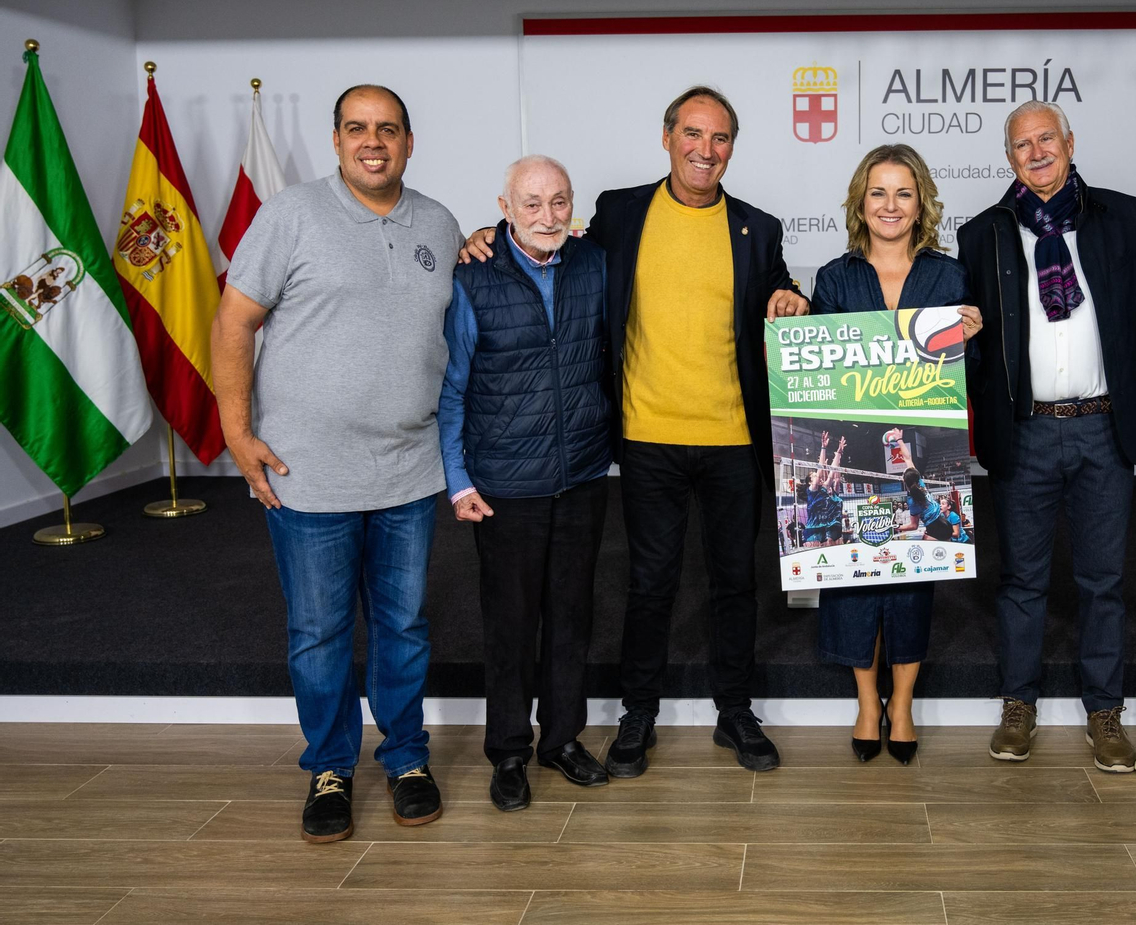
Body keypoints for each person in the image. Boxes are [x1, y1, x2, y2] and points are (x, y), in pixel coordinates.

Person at [460, 86, 807, 776]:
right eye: (692, 134)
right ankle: (637, 712)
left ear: (732, 147)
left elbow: (777, 285)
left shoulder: (757, 227)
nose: (705, 150)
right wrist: (484, 238)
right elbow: (545, 241)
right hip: (646, 437)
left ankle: (734, 711)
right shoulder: (621, 212)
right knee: (650, 583)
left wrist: (791, 294)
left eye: (720, 138)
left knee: (736, 583)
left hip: (735, 440)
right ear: (667, 136)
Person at [212, 85, 463, 842]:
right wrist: (236, 429)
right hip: (305, 471)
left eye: (388, 128)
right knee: (319, 631)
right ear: (337, 141)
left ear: (410, 143)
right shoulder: (290, 216)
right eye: (357, 128)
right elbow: (234, 321)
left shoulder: (440, 223)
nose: (373, 140)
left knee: (403, 624)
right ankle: (329, 766)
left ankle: (407, 756)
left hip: (409, 471)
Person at [957, 100, 1136, 771]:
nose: (1036, 151)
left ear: (1070, 143)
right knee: (1021, 580)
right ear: (1009, 158)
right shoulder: (983, 233)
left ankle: (1105, 714)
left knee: (1103, 581)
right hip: (1026, 433)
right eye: (1022, 144)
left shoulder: (1124, 217)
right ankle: (1019, 705)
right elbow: (968, 338)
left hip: (1104, 427)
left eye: (1047, 138)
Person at [438, 155, 612, 809]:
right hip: (504, 485)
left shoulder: (594, 263)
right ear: (504, 208)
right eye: (531, 204)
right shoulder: (472, 276)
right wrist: (458, 482)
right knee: (510, 625)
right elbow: (453, 388)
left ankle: (562, 740)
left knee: (571, 619)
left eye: (560, 202)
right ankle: (508, 751)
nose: (547, 216)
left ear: (574, 206)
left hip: (583, 477)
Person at [811, 143, 982, 766]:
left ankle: (902, 704)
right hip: (857, 439)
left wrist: (975, 336)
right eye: (878, 192)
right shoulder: (835, 277)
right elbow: (820, 375)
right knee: (852, 576)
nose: (890, 205)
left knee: (912, 576)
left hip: (923, 441)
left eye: (903, 193)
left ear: (921, 204)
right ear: (861, 201)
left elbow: (968, 374)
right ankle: (866, 702)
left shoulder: (948, 274)